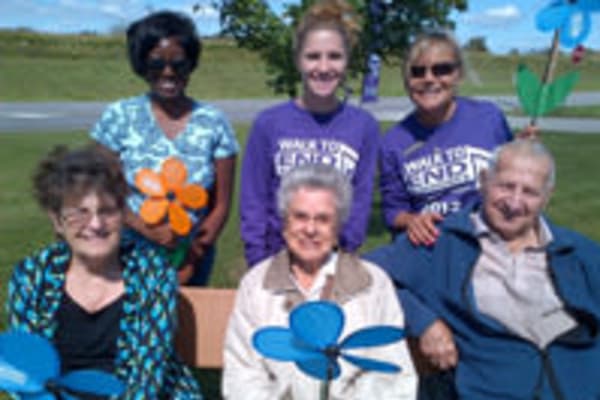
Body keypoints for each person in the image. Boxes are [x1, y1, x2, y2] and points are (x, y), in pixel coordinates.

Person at [366, 139, 600, 399]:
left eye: (529, 192)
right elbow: (362, 274)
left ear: (547, 197)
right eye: (506, 186)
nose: (514, 202)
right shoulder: (441, 241)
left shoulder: (578, 253)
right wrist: (424, 322)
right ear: (483, 180)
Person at [7, 146, 202, 399]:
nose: (95, 224)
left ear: (122, 215)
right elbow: (28, 376)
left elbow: (146, 379)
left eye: (107, 211)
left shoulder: (153, 273)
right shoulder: (31, 276)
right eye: (80, 213)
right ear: (57, 220)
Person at [223, 164, 417, 399]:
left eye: (323, 219)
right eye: (300, 217)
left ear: (338, 227)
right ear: (285, 222)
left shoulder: (373, 283)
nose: (310, 229)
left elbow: (391, 373)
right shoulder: (256, 284)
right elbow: (243, 372)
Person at [90, 10, 239, 285]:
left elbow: (221, 205)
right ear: (141, 64)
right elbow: (99, 190)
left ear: (191, 64)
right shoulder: (119, 117)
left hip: (192, 256)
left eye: (178, 64)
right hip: (126, 254)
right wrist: (145, 228)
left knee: (183, 327)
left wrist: (192, 256)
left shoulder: (214, 123)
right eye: (157, 64)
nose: (168, 73)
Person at [240, 0, 379, 267]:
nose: (324, 67)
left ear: (348, 61)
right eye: (313, 56)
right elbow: (253, 201)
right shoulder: (269, 124)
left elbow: (361, 201)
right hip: (275, 258)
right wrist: (258, 260)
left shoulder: (363, 126)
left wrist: (344, 252)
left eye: (334, 56)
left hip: (335, 260)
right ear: (298, 61)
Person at [379, 30, 516, 246]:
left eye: (441, 69)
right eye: (417, 72)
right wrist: (413, 221)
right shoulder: (393, 142)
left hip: (490, 242)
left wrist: (528, 154)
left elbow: (513, 178)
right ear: (407, 81)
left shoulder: (489, 117)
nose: (429, 78)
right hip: (434, 249)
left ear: (458, 74)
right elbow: (393, 211)